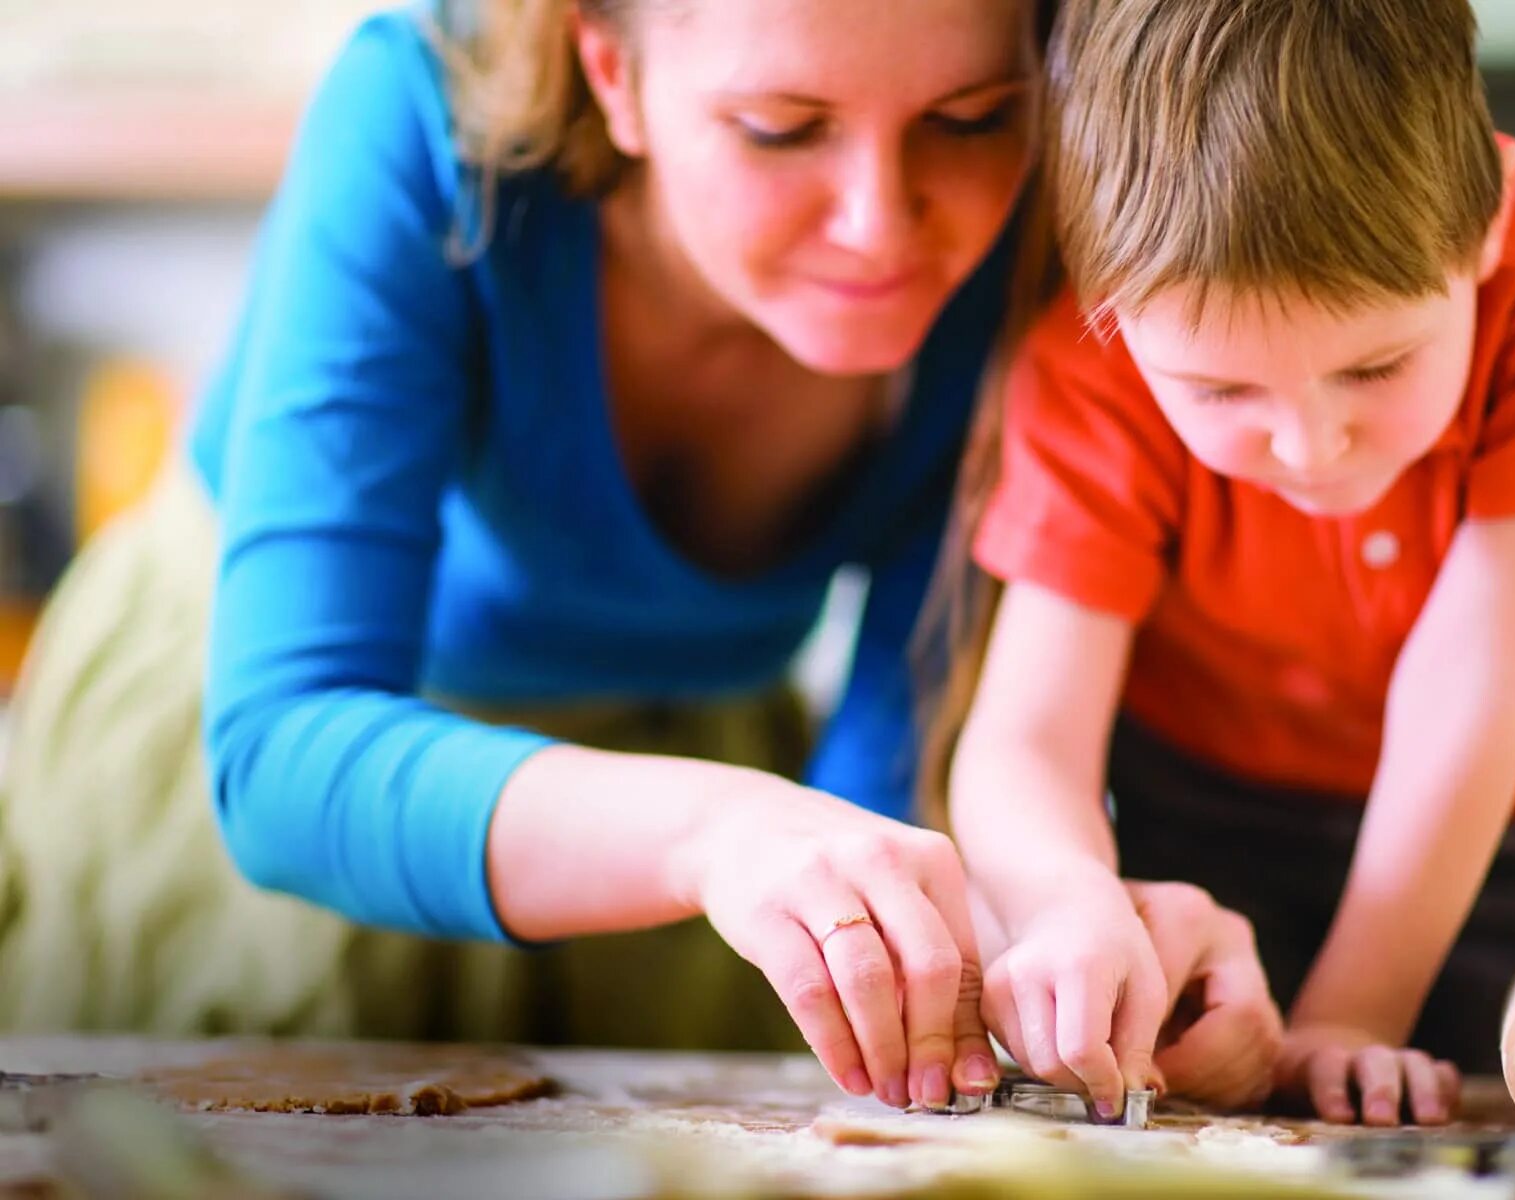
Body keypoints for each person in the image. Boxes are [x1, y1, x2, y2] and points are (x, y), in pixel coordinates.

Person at [0, 0, 1056, 1114]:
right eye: (779, 129)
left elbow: (897, 764)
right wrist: (717, 829)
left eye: (972, 117)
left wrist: (1052, 934)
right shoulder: (424, 115)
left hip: (703, 805)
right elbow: (278, 754)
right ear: (609, 70)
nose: (880, 224)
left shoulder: (1036, 221)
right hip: (301, 789)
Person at [939, 0, 1515, 1125]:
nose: (1306, 445)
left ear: (1482, 237)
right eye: (1220, 391)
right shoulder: (1082, 347)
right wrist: (1065, 902)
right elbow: (1027, 735)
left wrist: (1351, 1013)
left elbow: (1471, 671)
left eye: (1375, 365)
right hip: (1205, 806)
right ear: (1112, 311)